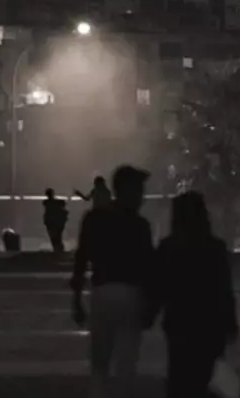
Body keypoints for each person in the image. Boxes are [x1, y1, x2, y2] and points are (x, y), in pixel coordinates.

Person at [70, 165, 153, 398]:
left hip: (102, 292)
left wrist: (76, 299)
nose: (142, 197)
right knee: (127, 364)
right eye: (139, 191)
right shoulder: (140, 225)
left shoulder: (94, 219)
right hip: (131, 294)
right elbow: (149, 268)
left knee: (100, 362)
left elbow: (81, 259)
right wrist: (151, 305)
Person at [150, 191, 239, 398]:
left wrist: (149, 313)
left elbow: (158, 286)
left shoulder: (168, 247)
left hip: (179, 323)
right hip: (210, 325)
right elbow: (224, 290)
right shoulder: (215, 248)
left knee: (179, 378)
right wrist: (230, 323)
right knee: (205, 378)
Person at [43, 188, 68, 254]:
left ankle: (57, 249)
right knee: (57, 236)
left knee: (54, 236)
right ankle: (58, 249)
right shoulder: (53, 202)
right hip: (55, 221)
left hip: (52, 222)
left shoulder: (47, 203)